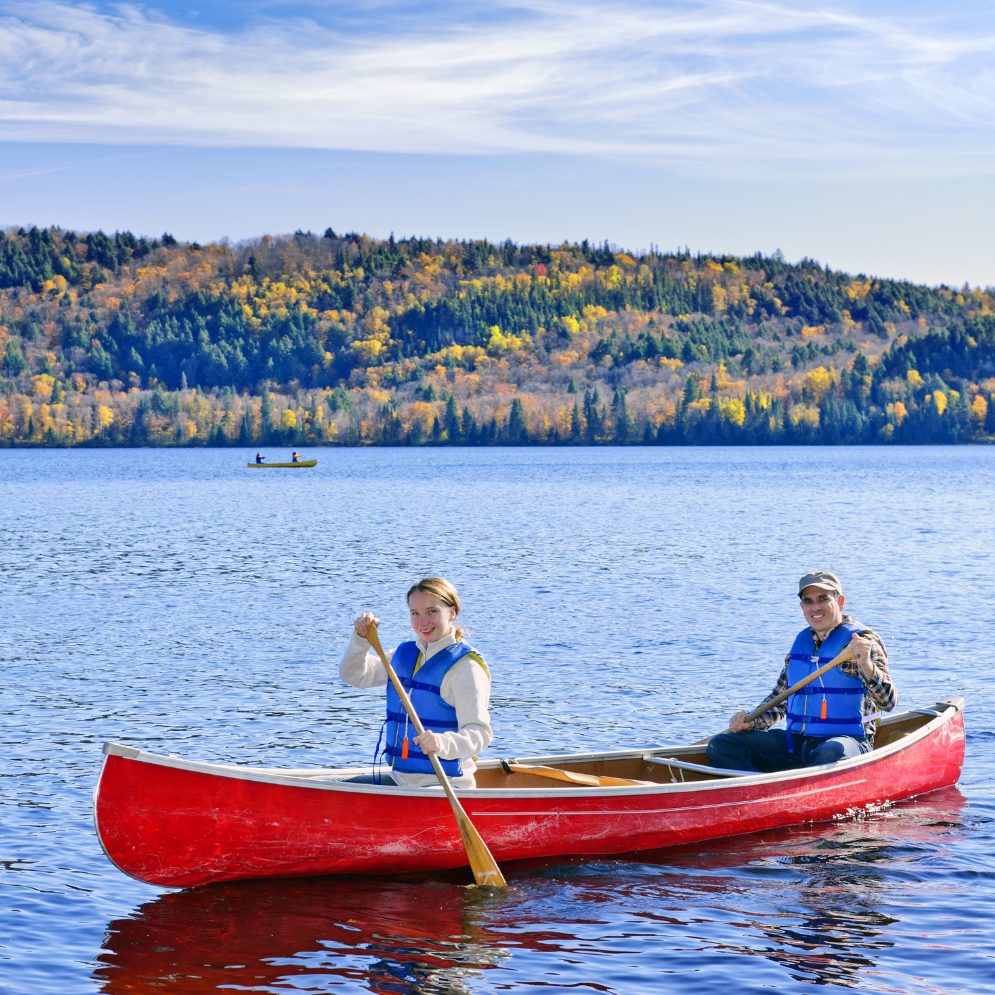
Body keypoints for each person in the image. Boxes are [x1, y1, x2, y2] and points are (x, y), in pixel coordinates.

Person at [706, 570, 897, 773]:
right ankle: (761, 793)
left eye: (823, 599)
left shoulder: (861, 642)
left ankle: (796, 792)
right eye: (808, 601)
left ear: (840, 601)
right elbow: (781, 698)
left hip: (847, 743)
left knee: (830, 751)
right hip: (796, 743)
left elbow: (888, 702)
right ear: (802, 606)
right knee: (722, 745)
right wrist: (752, 721)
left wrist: (867, 666)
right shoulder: (802, 642)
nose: (815, 607)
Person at [341, 576, 493, 788]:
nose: (423, 622)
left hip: (447, 784)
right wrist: (360, 639)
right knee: (337, 788)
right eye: (415, 613)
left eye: (432, 611)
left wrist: (441, 743)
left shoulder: (466, 668)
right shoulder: (404, 655)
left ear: (452, 612)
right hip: (401, 779)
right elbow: (354, 675)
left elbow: (479, 734)